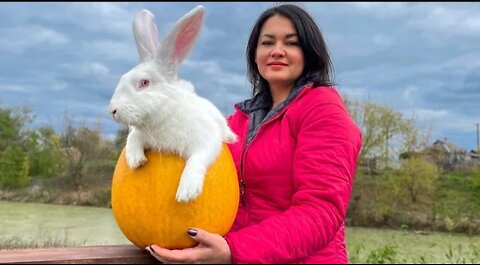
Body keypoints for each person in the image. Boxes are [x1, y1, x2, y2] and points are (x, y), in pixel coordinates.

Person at [145, 3, 362, 264]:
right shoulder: (238, 121)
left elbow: (320, 212)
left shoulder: (323, 110)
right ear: (255, 53)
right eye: (267, 42)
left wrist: (233, 250)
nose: (277, 51)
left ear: (309, 52)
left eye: (291, 43)